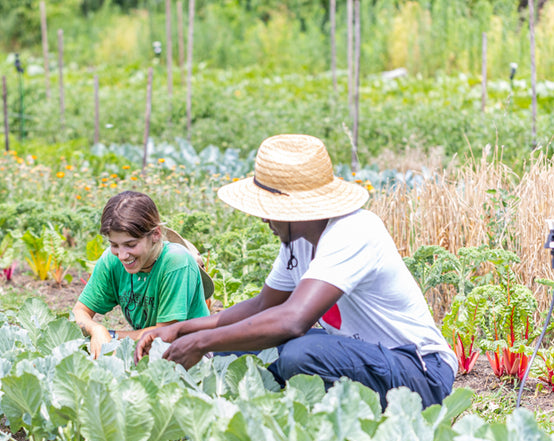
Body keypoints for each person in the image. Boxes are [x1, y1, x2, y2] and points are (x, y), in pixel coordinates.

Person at [134, 134, 458, 409]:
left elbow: (292, 319)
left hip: (421, 373)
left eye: (271, 211)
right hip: (362, 354)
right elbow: (262, 306)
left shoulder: (353, 230)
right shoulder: (300, 237)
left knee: (299, 353)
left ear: (296, 209)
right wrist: (183, 330)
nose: (264, 220)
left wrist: (202, 343)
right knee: (242, 343)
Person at [73, 190, 213, 358]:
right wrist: (96, 329)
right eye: (115, 245)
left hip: (190, 354)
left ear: (156, 234)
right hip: (144, 349)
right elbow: (79, 311)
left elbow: (164, 334)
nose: (122, 255)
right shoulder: (111, 260)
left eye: (131, 245)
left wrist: (110, 336)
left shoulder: (176, 262)